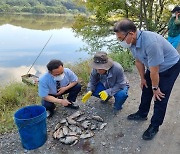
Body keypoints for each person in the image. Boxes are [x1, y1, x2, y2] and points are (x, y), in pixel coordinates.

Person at [114, 19, 180, 140]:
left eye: (121, 38)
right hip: (154, 66)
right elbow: (139, 61)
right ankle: (142, 113)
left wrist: (155, 88)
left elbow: (155, 71)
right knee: (146, 89)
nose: (120, 42)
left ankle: (155, 125)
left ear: (131, 33)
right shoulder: (131, 42)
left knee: (160, 96)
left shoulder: (151, 43)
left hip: (170, 66)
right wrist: (143, 78)